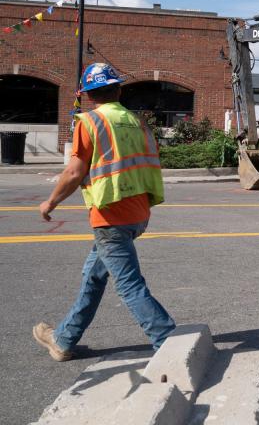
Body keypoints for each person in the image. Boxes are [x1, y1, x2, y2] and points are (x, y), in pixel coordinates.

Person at [32, 63, 175, 361]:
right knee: (94, 277)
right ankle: (63, 340)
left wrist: (51, 202)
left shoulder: (91, 122)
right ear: (118, 89)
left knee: (129, 284)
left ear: (88, 95)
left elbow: (74, 172)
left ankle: (167, 341)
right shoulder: (136, 121)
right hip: (137, 212)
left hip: (110, 217)